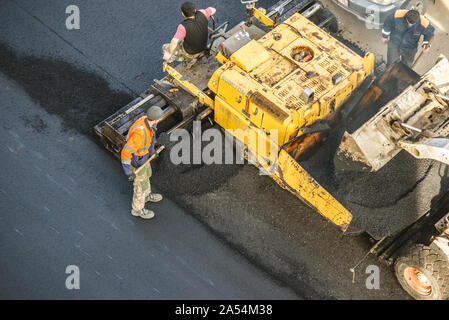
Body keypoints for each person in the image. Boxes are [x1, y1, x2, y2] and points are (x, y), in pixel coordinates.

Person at [121, 106, 164, 219]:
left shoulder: (148, 121)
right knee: (139, 185)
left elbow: (150, 139)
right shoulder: (139, 133)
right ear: (156, 119)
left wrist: (152, 152)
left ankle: (146, 195)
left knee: (146, 176)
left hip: (144, 157)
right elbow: (125, 152)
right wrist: (128, 172)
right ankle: (137, 209)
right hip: (137, 160)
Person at [162, 2, 216, 68]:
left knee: (165, 47)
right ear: (195, 10)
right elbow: (213, 9)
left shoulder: (183, 27)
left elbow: (174, 42)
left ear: (182, 14)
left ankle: (188, 60)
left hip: (192, 53)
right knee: (182, 39)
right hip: (203, 47)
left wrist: (169, 54)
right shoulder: (203, 13)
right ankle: (194, 58)